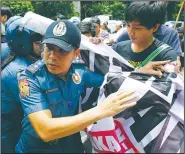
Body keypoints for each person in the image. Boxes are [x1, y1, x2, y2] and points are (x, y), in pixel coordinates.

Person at [15, 20, 138, 153]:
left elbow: (113, 80)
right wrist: (101, 110)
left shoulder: (80, 72)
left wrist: (139, 72)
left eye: (62, 51)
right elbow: (45, 130)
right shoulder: (29, 78)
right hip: (37, 148)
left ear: (76, 53)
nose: (52, 56)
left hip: (71, 145)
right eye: (49, 48)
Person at [1, 16, 44, 153]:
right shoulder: (19, 72)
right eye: (39, 44)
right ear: (23, 43)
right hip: (10, 125)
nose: (44, 48)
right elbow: (38, 102)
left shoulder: (9, 50)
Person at [112, 1, 177, 75]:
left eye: (137, 28)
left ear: (155, 27)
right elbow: (106, 76)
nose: (130, 32)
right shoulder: (117, 49)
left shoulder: (166, 55)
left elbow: (168, 84)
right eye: (128, 25)